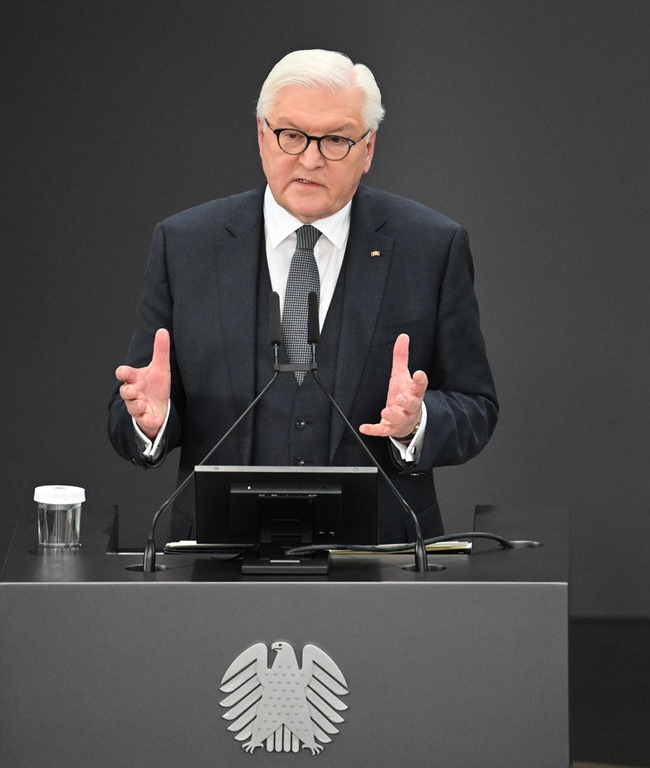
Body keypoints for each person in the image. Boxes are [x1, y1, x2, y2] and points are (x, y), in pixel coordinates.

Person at [108, 49, 497, 544]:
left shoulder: (431, 246)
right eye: (291, 135)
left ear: (368, 147)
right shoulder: (187, 244)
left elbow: (476, 405)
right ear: (261, 135)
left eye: (335, 139)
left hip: (380, 559)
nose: (310, 159)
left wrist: (417, 422)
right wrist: (151, 422)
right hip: (215, 560)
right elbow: (133, 406)